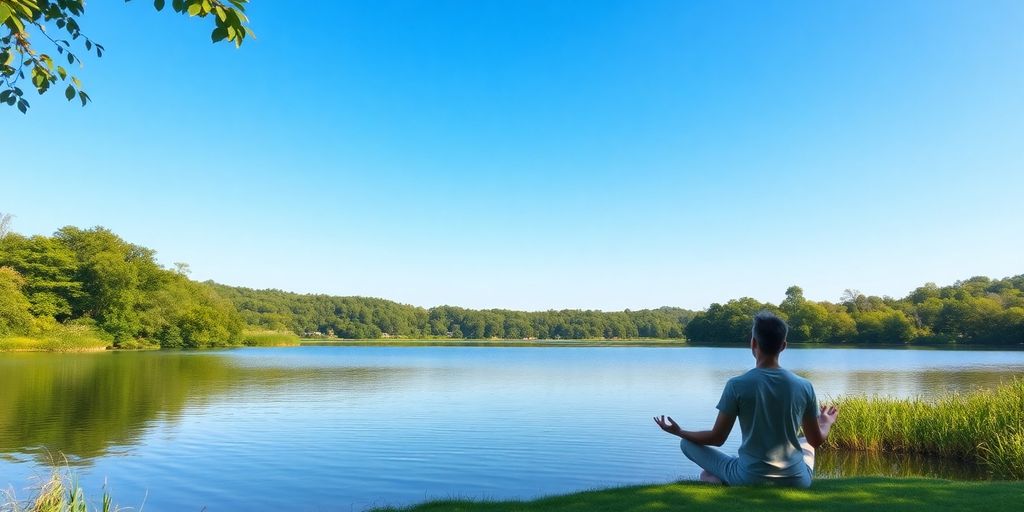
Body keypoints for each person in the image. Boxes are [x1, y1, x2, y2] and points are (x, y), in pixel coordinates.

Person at [653, 311, 838, 488]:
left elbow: (717, 438)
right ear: (783, 346)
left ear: (753, 343)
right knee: (806, 442)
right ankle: (722, 477)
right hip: (797, 480)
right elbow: (816, 441)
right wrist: (826, 422)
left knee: (687, 444)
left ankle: (718, 480)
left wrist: (680, 431)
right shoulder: (804, 386)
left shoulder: (737, 385)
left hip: (749, 477)